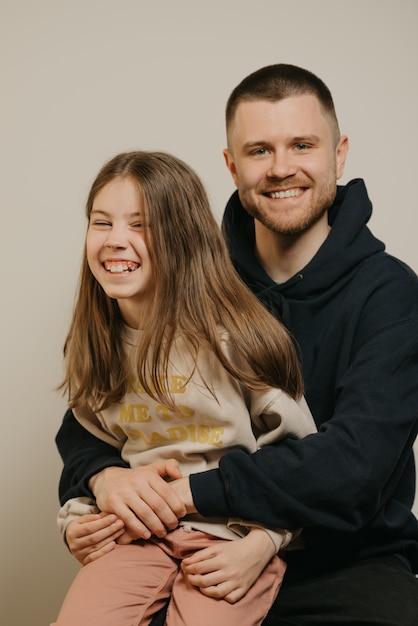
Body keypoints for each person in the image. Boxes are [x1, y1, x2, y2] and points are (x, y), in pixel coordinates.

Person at [55, 64, 418, 625]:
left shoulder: (390, 293)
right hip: (190, 545)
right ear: (230, 164)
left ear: (339, 154)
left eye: (302, 144)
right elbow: (95, 413)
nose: (281, 168)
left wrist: (189, 495)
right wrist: (105, 482)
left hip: (346, 560)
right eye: (258, 150)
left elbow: (355, 464)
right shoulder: (189, 275)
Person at [52, 150, 317, 626]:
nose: (116, 241)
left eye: (140, 224)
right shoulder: (96, 343)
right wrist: (77, 518)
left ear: (184, 236)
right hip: (138, 536)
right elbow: (92, 447)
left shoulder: (235, 338)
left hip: (232, 536)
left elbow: (301, 461)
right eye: (101, 222)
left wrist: (267, 541)